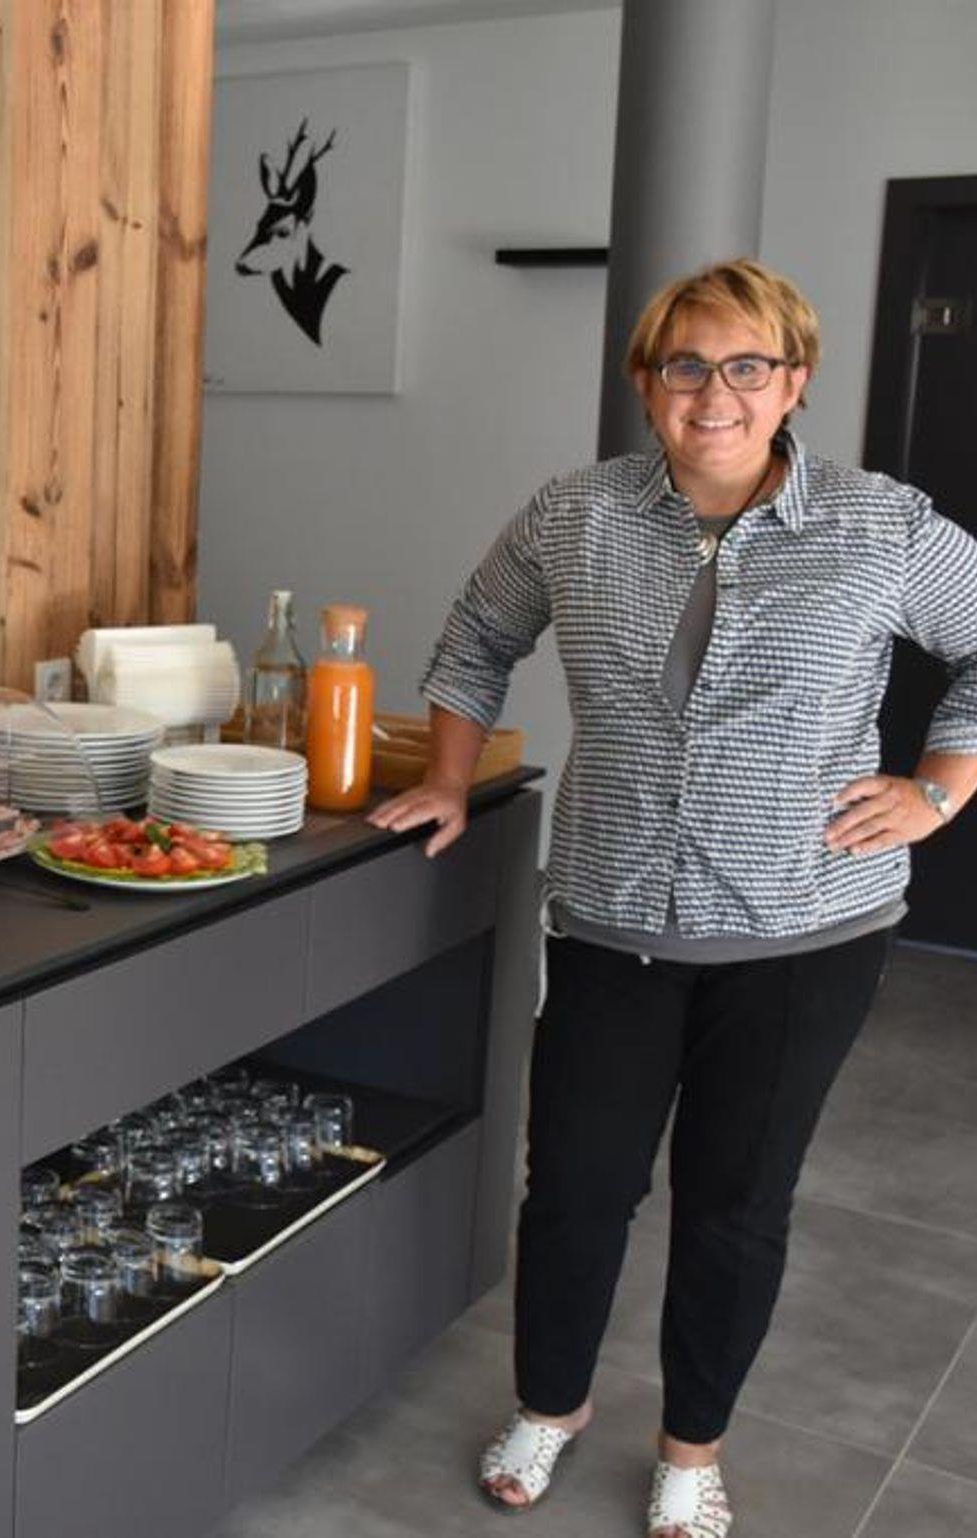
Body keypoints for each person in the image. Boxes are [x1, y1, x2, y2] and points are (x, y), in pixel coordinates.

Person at [369, 258, 977, 1538]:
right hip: (612, 918)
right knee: (573, 1186)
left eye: (746, 365)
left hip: (805, 929)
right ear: (645, 383)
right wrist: (446, 778)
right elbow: (476, 636)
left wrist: (936, 788)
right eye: (684, 365)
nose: (714, 393)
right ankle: (549, 1403)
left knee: (735, 1205)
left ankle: (690, 1446)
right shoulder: (574, 514)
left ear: (792, 381)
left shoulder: (877, 524)